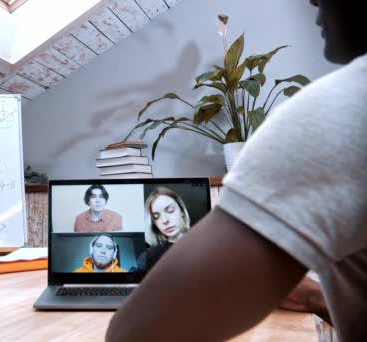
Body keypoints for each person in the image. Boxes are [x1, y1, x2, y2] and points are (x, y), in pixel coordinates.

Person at [107, 1, 366, 341]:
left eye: (170, 209)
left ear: (182, 211)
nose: (313, 0)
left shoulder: (346, 108)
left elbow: (135, 334)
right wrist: (318, 297)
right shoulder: (146, 256)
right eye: (158, 216)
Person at [135, 187, 191, 272]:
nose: (165, 220)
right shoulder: (149, 256)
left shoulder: (203, 243)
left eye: (170, 210)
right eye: (156, 217)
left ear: (182, 211)